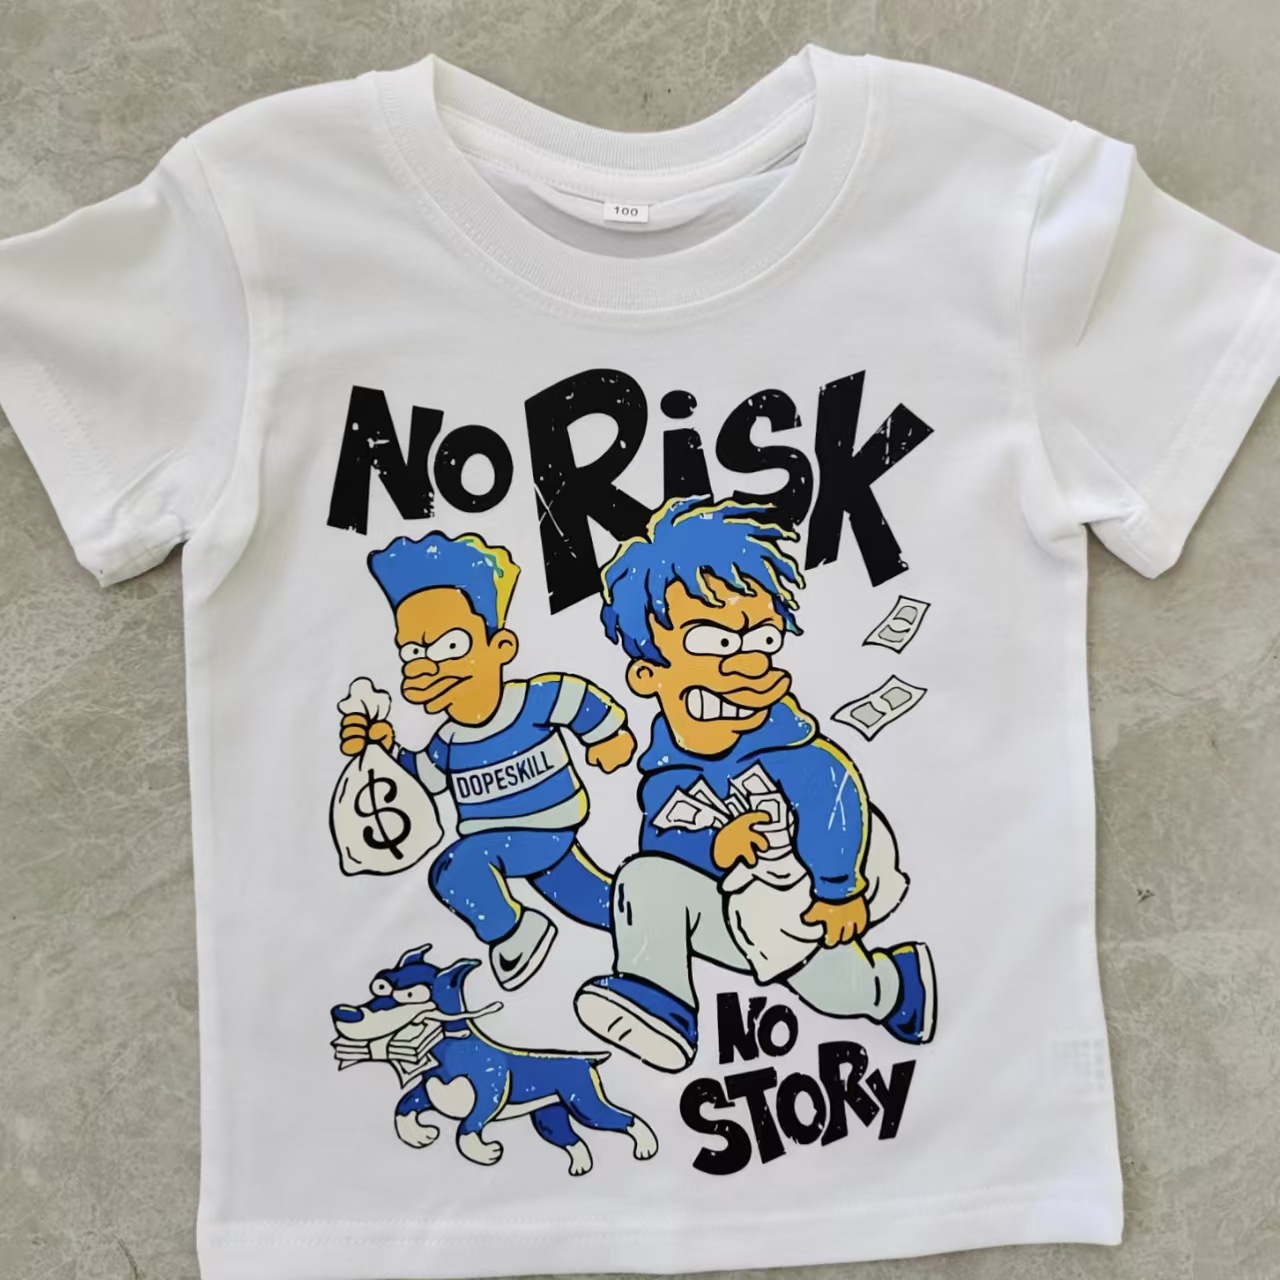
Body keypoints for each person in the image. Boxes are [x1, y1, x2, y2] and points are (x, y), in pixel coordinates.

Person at [573, 498, 936, 1071]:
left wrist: (839, 890)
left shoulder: (792, 750)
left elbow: (836, 802)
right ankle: (660, 1002)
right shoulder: (667, 773)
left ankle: (897, 987)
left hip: (815, 884)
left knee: (836, 992)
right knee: (642, 879)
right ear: (647, 675)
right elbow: (664, 846)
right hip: (735, 899)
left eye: (761, 639)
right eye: (711, 641)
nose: (745, 663)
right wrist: (716, 848)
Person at [340, 531, 636, 989]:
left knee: (457, 871)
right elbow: (422, 780)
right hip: (511, 845)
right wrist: (383, 751)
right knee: (600, 904)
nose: (426, 665)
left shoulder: (532, 700)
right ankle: (666, 924)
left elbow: (578, 700)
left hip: (544, 830)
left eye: (450, 646)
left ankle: (516, 932)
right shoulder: (448, 740)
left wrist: (607, 737)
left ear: (501, 649)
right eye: (413, 652)